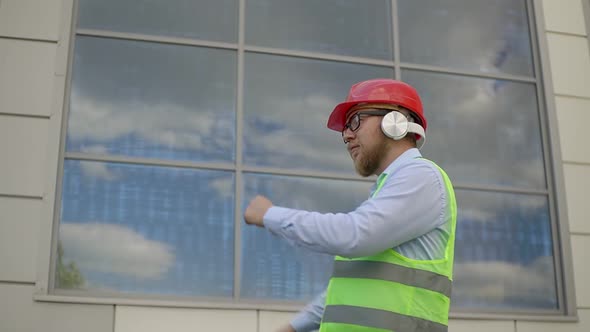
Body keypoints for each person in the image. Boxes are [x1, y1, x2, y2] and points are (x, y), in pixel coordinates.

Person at [244, 78, 457, 332]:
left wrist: (269, 214)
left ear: (395, 122)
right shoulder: (388, 191)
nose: (346, 135)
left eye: (356, 120)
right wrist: (293, 328)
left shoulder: (422, 177)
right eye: (346, 127)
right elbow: (350, 288)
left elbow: (352, 234)